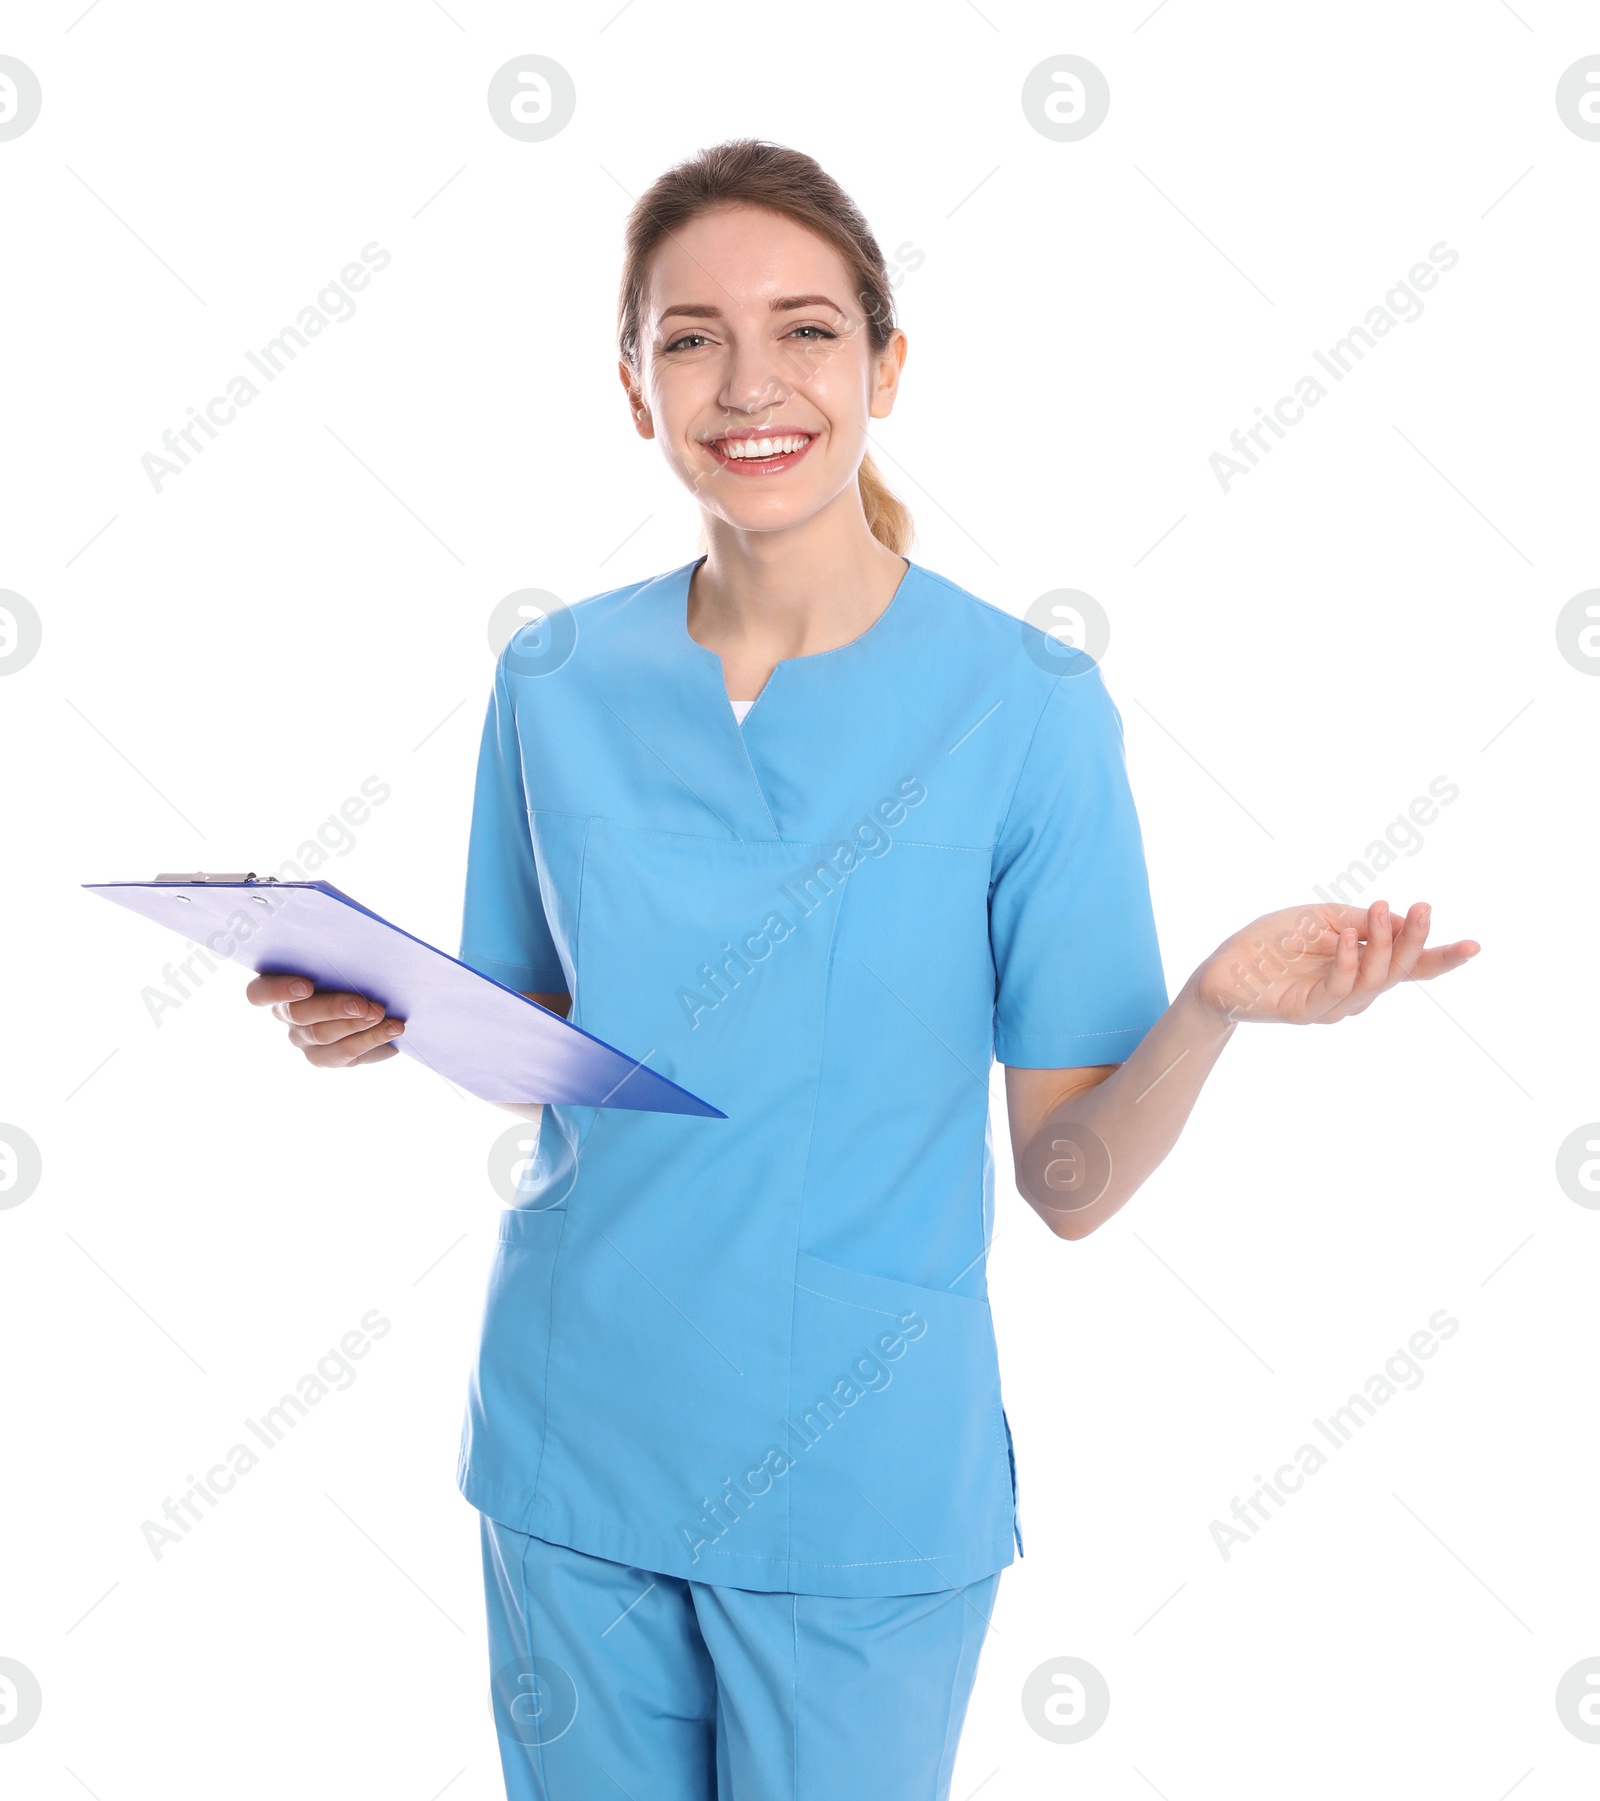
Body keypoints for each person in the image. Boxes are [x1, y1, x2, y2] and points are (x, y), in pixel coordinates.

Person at [246, 139, 1479, 1801]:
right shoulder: (551, 676)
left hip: (858, 1488)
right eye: (690, 337)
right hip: (570, 1441)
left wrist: (1206, 1013)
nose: (750, 382)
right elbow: (542, 1030)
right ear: (633, 387)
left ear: (886, 367)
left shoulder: (1026, 706)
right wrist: (381, 1015)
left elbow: (1068, 1181)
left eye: (807, 331)